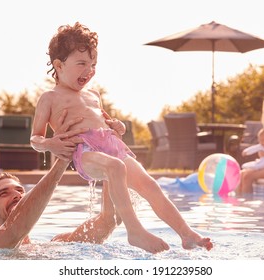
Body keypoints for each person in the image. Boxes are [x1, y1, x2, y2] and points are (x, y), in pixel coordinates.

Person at [30, 22, 213, 254]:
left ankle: (187, 235)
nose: (89, 70)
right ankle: (134, 230)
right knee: (115, 167)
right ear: (59, 65)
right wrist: (49, 143)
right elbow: (35, 138)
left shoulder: (93, 95)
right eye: (82, 63)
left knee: (150, 185)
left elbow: (104, 121)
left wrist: (116, 125)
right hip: (84, 150)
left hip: (110, 144)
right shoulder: (49, 98)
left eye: (93, 64)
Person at [0, 117, 120, 249]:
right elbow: (17, 225)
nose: (17, 195)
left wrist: (110, 150)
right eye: (4, 193)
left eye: (20, 190)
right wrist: (64, 156)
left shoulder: (55, 245)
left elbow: (109, 219)